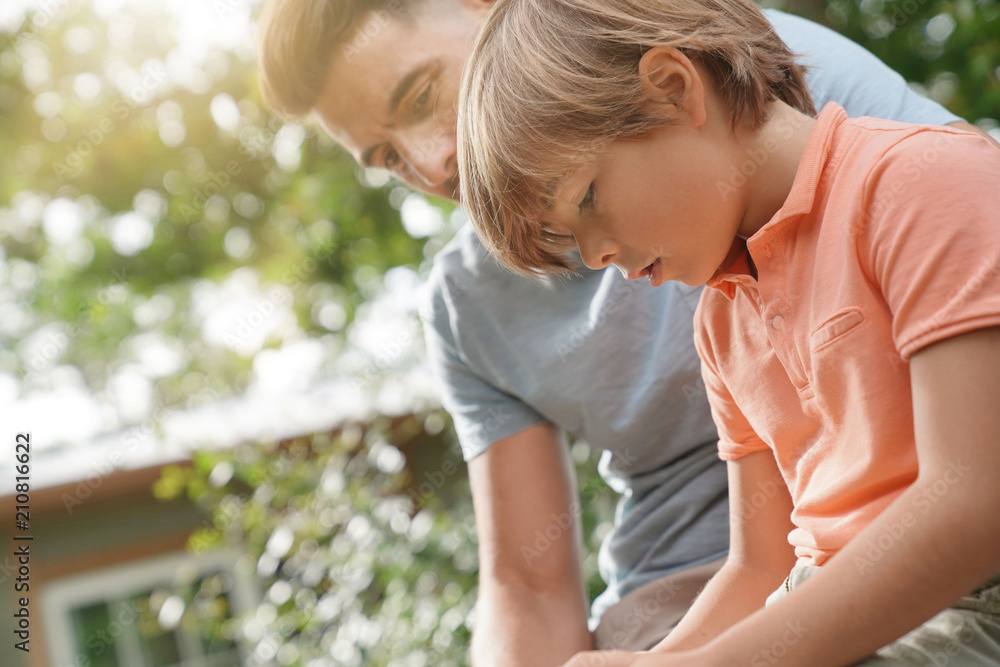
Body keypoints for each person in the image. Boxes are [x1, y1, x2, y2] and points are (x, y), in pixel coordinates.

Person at [256, 0, 991, 663]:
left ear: (673, 88)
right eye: (386, 160)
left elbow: (971, 499)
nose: (428, 162)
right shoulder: (722, 312)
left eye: (420, 95)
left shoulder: (900, 165)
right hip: (765, 592)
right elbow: (757, 562)